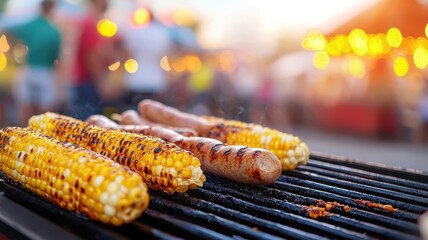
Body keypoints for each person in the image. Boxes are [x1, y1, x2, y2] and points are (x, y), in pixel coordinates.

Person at [5, 0, 61, 126]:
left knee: (25, 110)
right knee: (44, 114)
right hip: (46, 73)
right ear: (52, 8)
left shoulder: (30, 25)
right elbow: (58, 59)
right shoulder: (54, 31)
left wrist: (12, 52)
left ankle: (22, 137)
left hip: (28, 70)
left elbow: (7, 31)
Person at [121, 9, 173, 107]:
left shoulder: (134, 32)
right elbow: (165, 59)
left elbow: (127, 56)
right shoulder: (163, 33)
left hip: (135, 81)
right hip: (156, 81)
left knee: (134, 113)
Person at [69, 0, 110, 120]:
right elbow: (90, 56)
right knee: (88, 124)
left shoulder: (88, 21)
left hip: (83, 81)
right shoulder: (90, 23)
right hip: (87, 82)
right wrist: (102, 83)